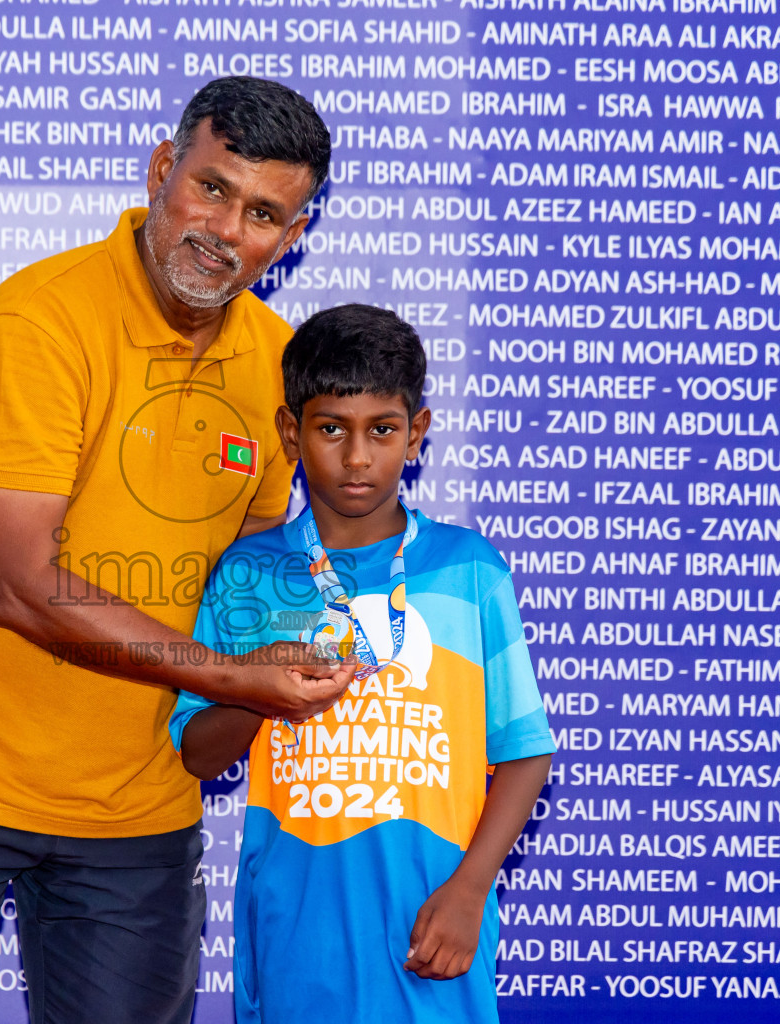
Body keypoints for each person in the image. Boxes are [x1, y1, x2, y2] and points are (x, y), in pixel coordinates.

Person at [0, 78, 353, 1024]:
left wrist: (298, 655)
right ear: (162, 171)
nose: (227, 230)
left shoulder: (279, 369)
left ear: (295, 234)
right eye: (212, 189)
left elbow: (260, 571)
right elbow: (19, 586)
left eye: (264, 213)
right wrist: (238, 680)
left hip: (135, 805)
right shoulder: (41, 321)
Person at [170, 304, 556, 1024]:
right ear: (291, 433)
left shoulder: (469, 570)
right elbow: (197, 753)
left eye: (382, 430)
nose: (356, 457)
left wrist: (471, 889)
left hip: (433, 924)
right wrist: (259, 682)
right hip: (295, 929)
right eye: (330, 429)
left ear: (418, 432)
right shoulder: (250, 575)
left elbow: (526, 752)